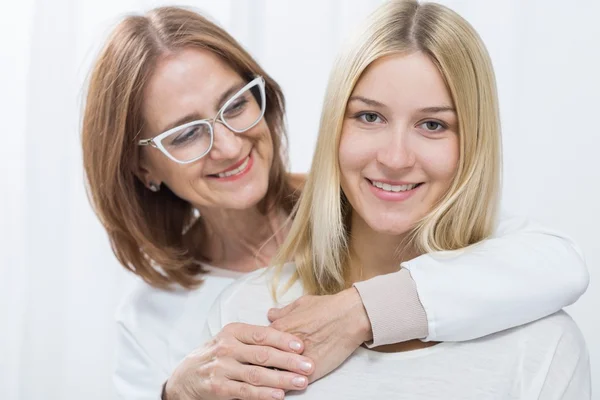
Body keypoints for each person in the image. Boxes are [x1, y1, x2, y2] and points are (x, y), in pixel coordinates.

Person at [80, 5, 589, 400]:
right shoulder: (159, 313)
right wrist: (177, 391)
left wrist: (361, 310)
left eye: (236, 104)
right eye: (187, 134)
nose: (231, 145)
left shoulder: (375, 201)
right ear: (143, 166)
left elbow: (555, 265)